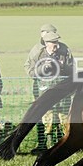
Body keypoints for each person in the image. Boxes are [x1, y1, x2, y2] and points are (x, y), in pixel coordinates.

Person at [24, 24, 74, 152]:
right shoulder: (37, 51)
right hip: (44, 91)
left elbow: (72, 69)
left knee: (63, 117)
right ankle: (44, 144)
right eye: (53, 42)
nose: (56, 44)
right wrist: (43, 68)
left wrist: (63, 67)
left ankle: (64, 143)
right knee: (47, 118)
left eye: (57, 41)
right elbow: (29, 70)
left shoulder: (64, 50)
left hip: (62, 92)